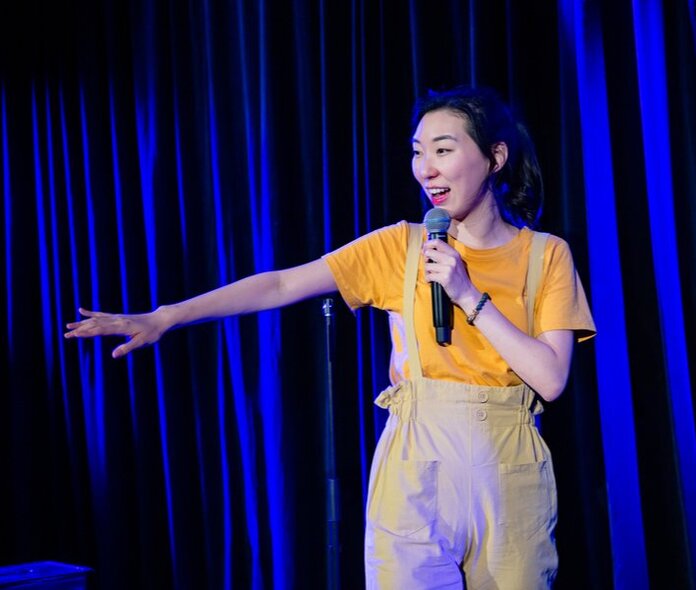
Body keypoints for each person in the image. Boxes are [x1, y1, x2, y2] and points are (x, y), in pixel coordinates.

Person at [65, 86, 595, 589]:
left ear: (495, 157)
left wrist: (466, 294)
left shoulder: (545, 255)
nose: (426, 169)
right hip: (418, 456)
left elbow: (550, 379)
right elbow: (282, 283)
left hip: (509, 462)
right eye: (417, 152)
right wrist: (168, 315)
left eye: (443, 149)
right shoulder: (402, 246)